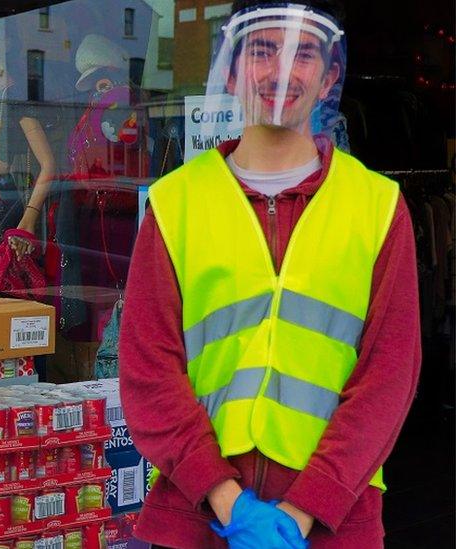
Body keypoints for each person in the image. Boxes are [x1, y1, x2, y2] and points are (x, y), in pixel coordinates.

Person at [119, 2, 420, 548]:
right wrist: (230, 504)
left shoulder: (378, 206)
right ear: (232, 72)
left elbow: (388, 379)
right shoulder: (176, 202)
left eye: (303, 53)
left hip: (333, 522)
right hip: (198, 519)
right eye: (262, 50)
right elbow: (148, 373)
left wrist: (301, 514)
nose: (281, 71)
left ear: (330, 76)